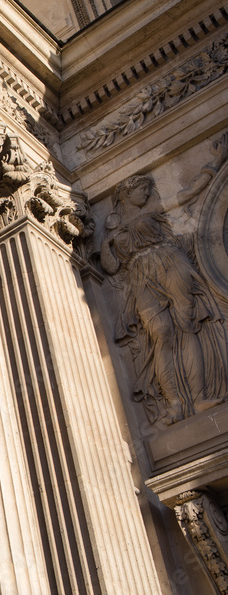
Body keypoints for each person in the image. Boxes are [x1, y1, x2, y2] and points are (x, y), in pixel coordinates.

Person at [101, 174, 228, 424]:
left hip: (170, 262)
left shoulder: (152, 208)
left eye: (148, 189)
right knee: (161, 332)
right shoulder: (114, 227)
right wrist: (106, 244)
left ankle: (200, 398)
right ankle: (174, 405)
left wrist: (213, 167)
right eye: (141, 189)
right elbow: (111, 267)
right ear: (126, 193)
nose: (147, 194)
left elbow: (187, 193)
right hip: (140, 275)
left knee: (187, 325)